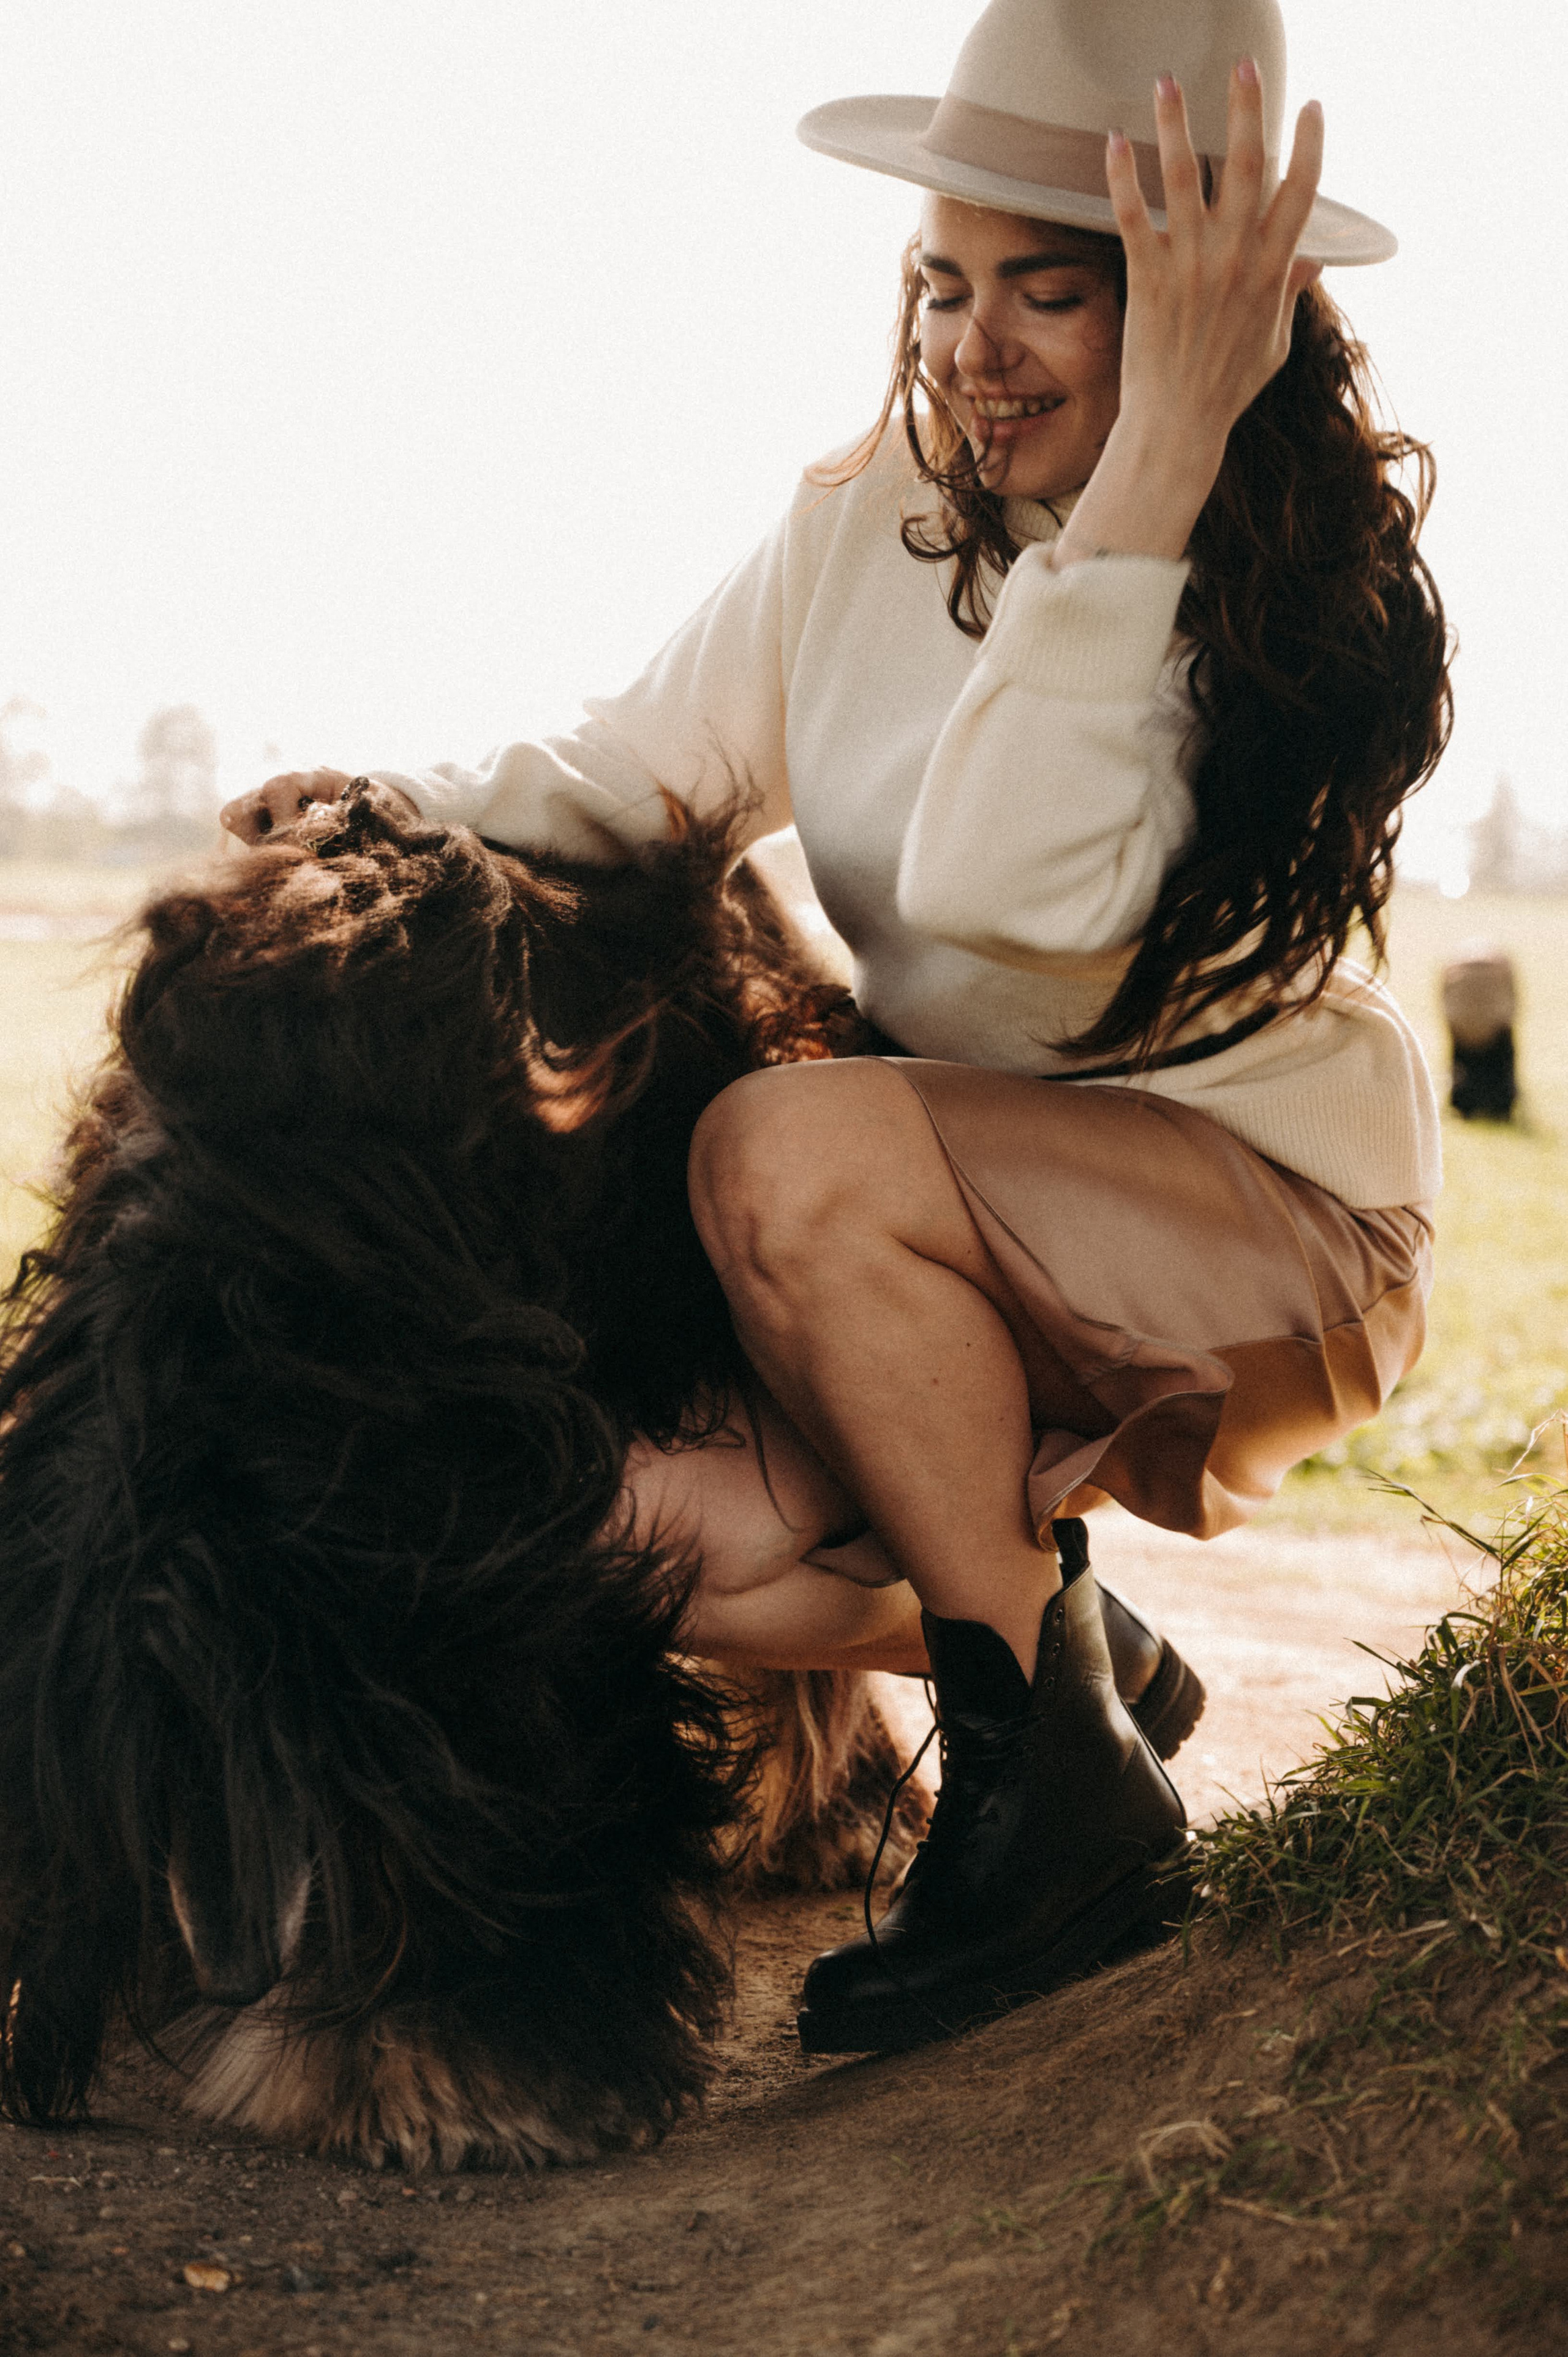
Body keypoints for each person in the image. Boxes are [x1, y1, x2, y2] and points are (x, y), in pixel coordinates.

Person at [222, 0, 1450, 2056]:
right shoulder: (876, 518)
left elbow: (1003, 900)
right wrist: (392, 803)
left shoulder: (1264, 586)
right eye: (945, 283)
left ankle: (1056, 1824)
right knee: (645, 1534)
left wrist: (1159, 459)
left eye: (1050, 293)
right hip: (954, 1226)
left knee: (778, 1144)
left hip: (1264, 1222)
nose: (974, 350)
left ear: (1212, 312)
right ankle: (1066, 1667)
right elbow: (640, 766)